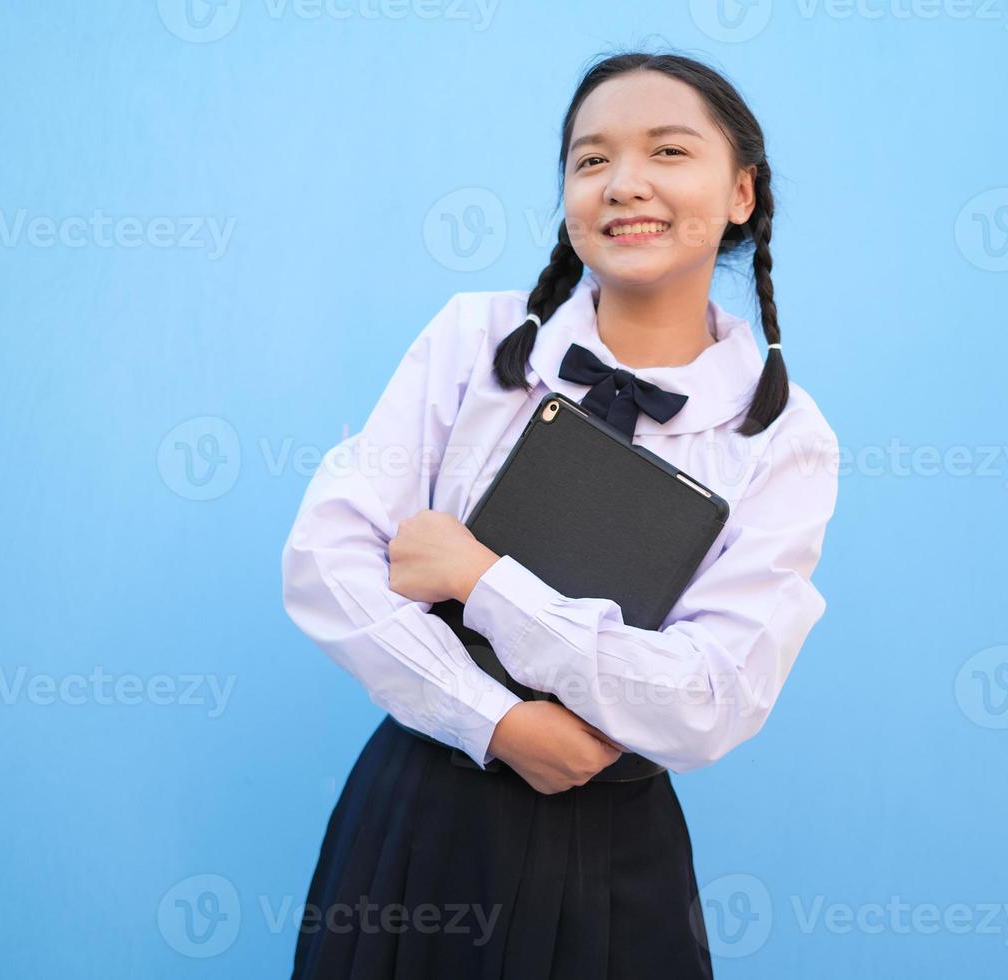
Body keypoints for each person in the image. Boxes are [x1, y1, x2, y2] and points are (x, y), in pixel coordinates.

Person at [281, 50, 840, 980]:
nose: (625, 184)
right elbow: (327, 558)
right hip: (424, 813)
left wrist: (479, 580)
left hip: (618, 849)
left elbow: (708, 696)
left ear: (742, 192)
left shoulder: (781, 434)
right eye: (591, 161)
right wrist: (495, 721)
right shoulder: (475, 339)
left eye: (668, 152)